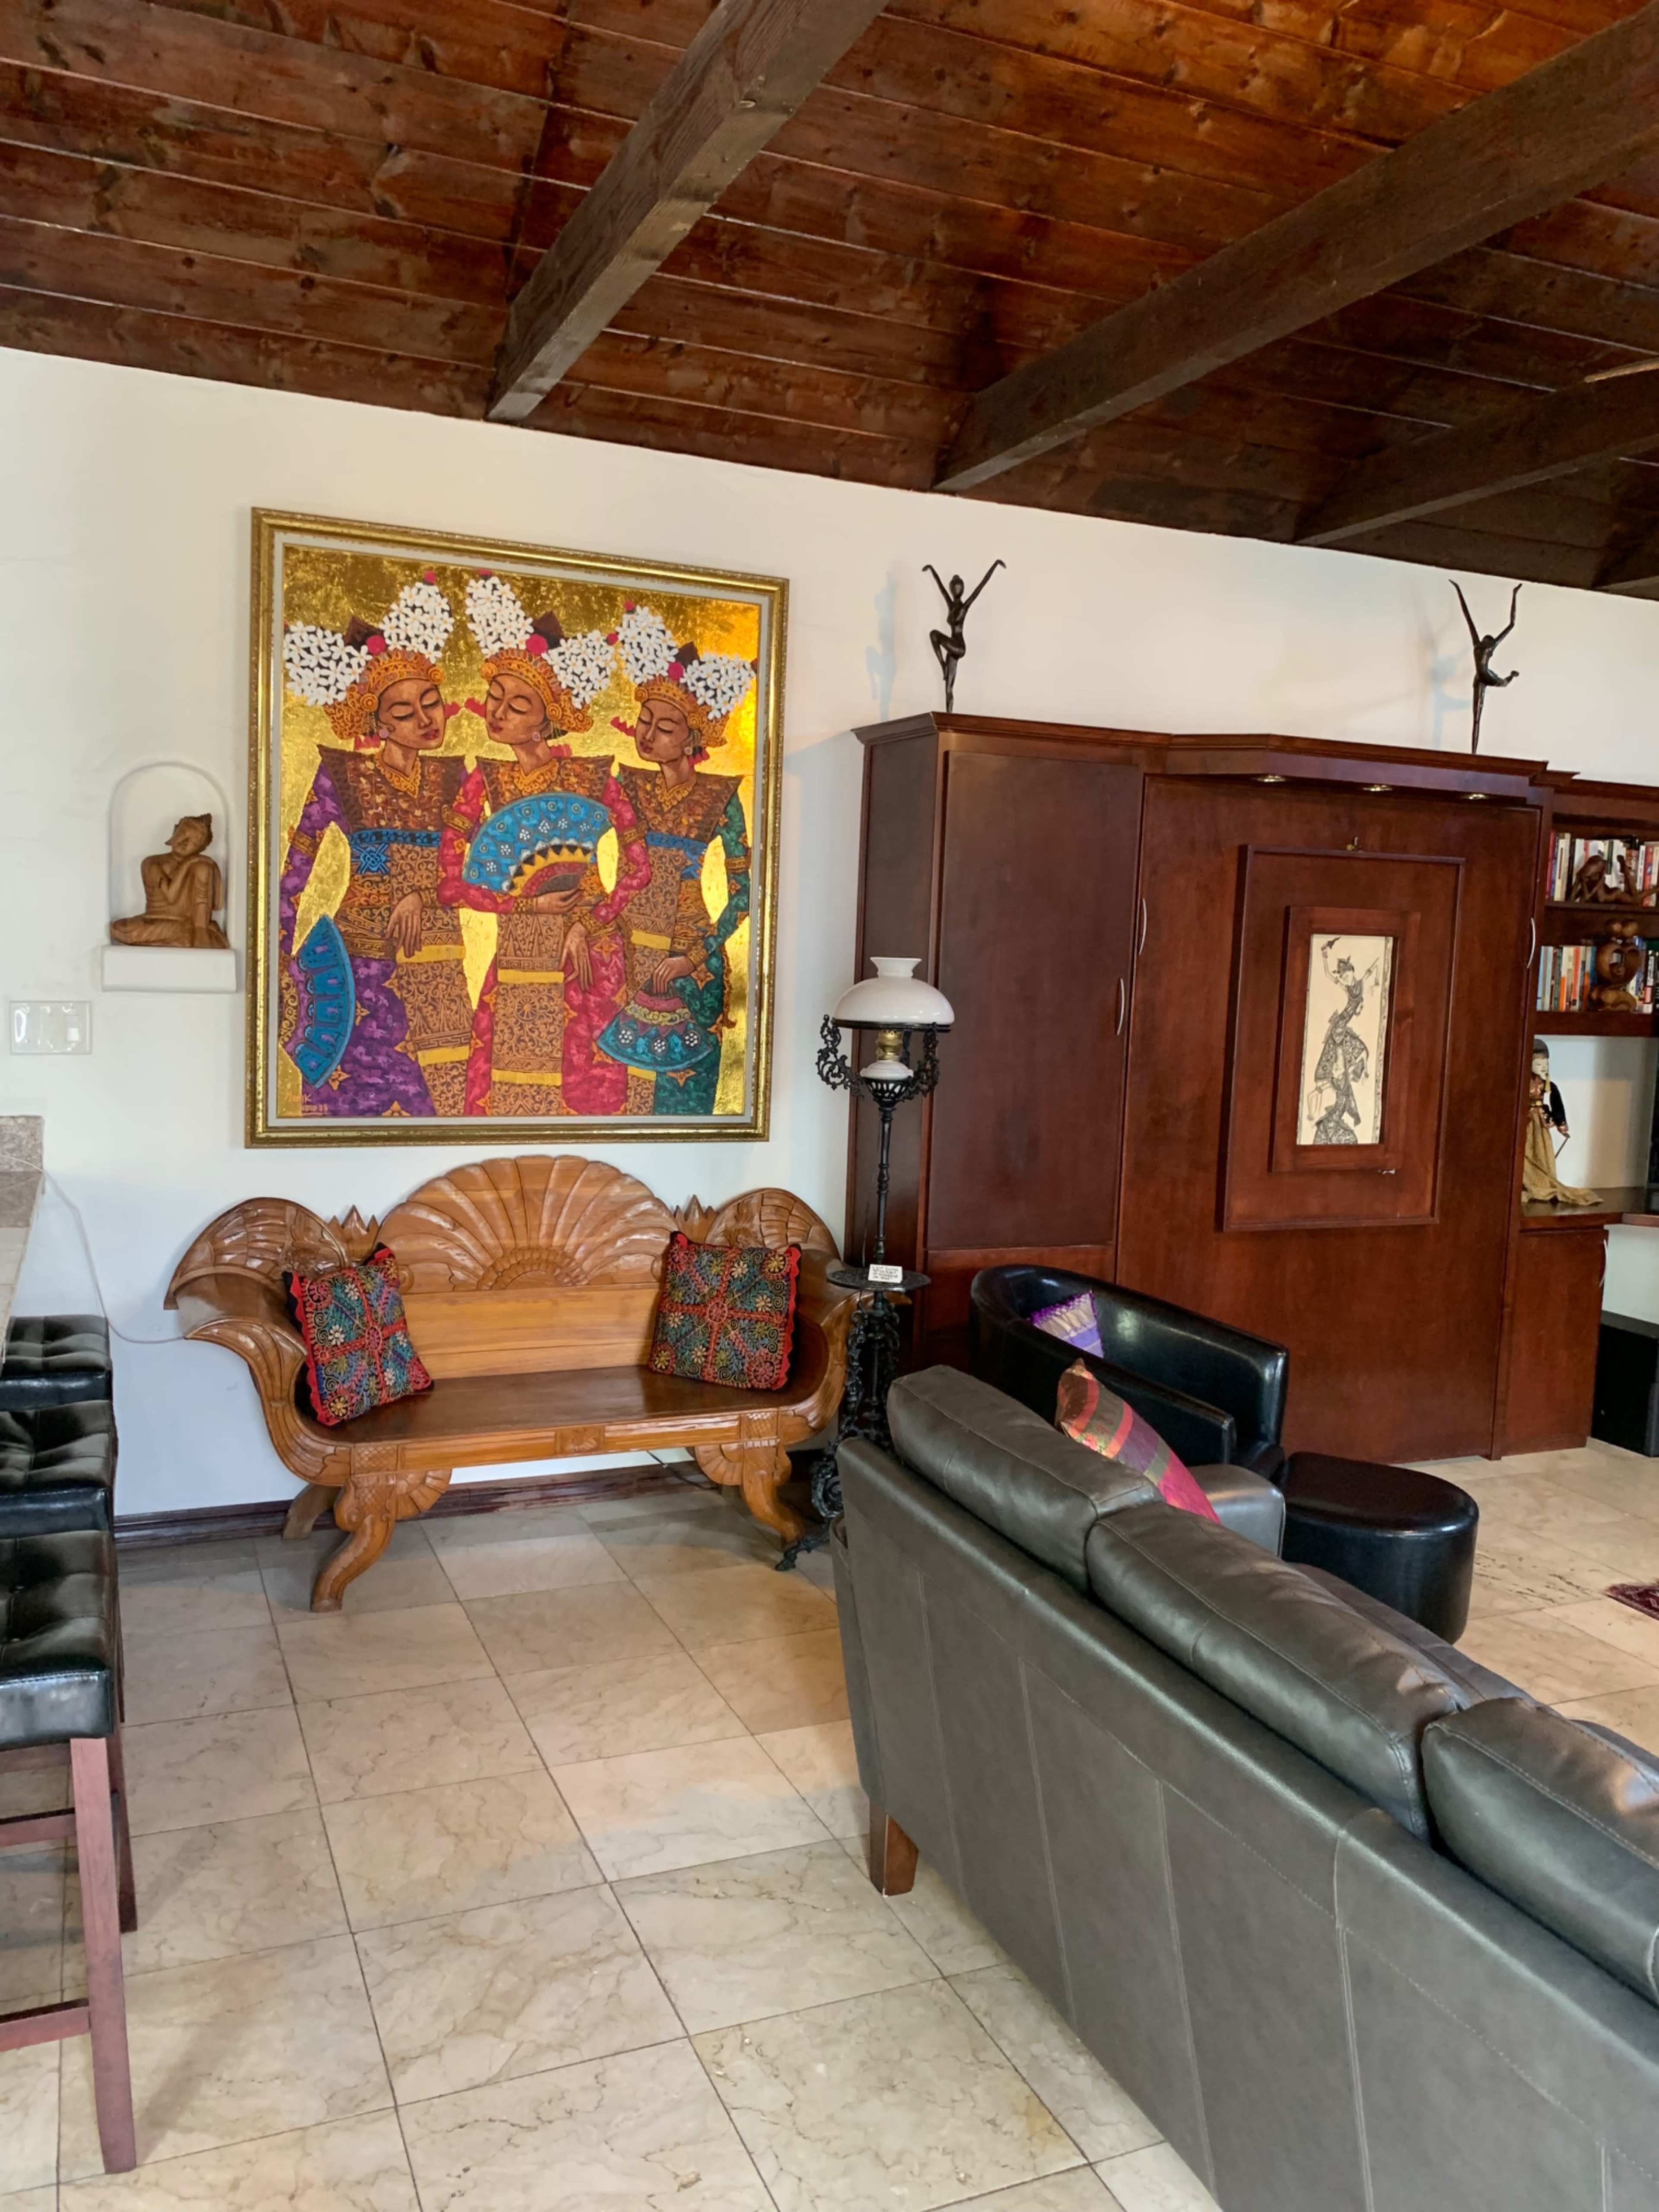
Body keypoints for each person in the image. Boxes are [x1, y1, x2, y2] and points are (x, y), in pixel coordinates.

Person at [438, 572, 646, 1116]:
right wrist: (525, 904)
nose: (498, 712)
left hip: (590, 954)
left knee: (587, 1092)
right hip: (518, 952)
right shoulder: (481, 783)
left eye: (518, 704)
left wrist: (590, 921)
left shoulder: (596, 780)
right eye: (495, 697)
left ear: (547, 720)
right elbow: (450, 884)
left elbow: (637, 869)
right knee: (503, 1093)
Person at [277, 575, 474, 1116]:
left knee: (441, 1101)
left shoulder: (456, 778)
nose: (424, 720)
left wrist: (424, 894)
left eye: (430, 704)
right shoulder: (341, 775)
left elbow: (482, 871)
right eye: (404, 713)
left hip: (438, 959)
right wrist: (277, 962)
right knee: (354, 1098)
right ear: (377, 723)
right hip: (361, 961)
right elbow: (295, 871)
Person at [594, 604, 756, 1116]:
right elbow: (576, 850)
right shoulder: (622, 784)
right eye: (643, 721)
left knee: (678, 1102)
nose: (647, 734)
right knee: (614, 1095)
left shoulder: (720, 798)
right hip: (622, 947)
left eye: (664, 727)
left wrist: (694, 956)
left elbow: (745, 894)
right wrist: (593, 919)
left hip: (689, 959)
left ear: (693, 737)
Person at [110, 815, 229, 947]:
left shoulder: (200, 866)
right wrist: (188, 863)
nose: (185, 842)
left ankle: (196, 935)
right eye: (183, 834)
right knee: (120, 928)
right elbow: (171, 896)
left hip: (188, 924)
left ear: (199, 850)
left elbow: (217, 905)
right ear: (175, 831)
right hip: (155, 922)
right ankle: (187, 938)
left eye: (193, 843)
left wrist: (211, 870)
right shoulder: (152, 863)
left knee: (203, 869)